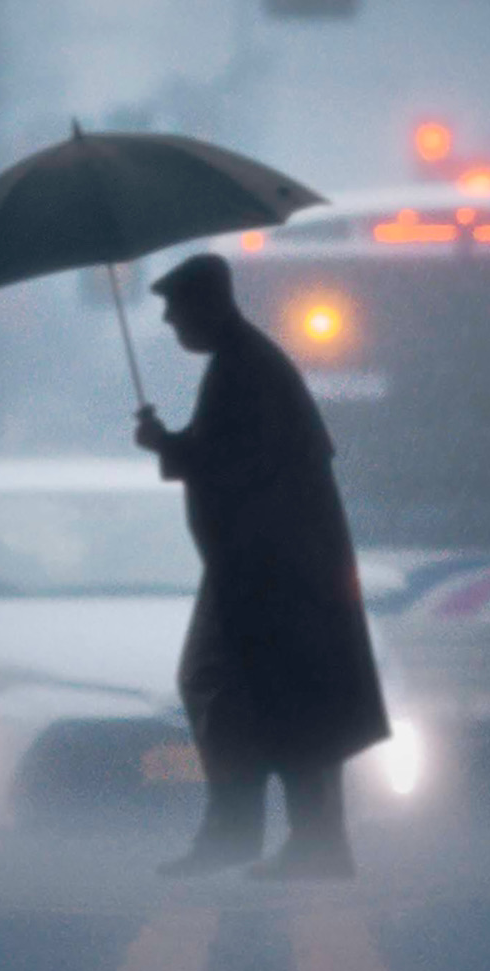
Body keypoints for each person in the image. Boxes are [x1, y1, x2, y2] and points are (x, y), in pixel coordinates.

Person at [133, 253, 388, 881]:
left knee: (226, 687)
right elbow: (230, 457)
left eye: (175, 312)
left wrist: (165, 446)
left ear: (205, 303)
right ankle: (287, 836)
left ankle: (248, 832)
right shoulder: (243, 365)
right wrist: (170, 445)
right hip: (269, 569)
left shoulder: (245, 368)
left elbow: (235, 466)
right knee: (278, 697)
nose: (170, 325)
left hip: (271, 572)